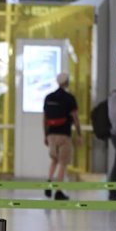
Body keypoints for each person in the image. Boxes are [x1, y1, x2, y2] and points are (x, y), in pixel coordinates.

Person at [42, 72, 81, 200]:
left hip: (51, 135)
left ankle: (48, 184)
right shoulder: (70, 98)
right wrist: (79, 134)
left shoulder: (48, 97)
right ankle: (58, 191)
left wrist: (46, 135)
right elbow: (75, 118)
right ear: (67, 82)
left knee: (54, 160)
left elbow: (45, 118)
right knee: (63, 163)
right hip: (64, 134)